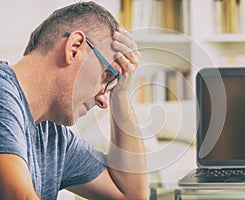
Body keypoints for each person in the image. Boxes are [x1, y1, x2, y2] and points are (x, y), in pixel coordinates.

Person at [0, 1, 148, 200]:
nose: (104, 102)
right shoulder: (3, 91)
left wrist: (120, 94)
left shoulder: (54, 138)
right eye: (106, 75)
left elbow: (132, 196)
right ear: (75, 48)